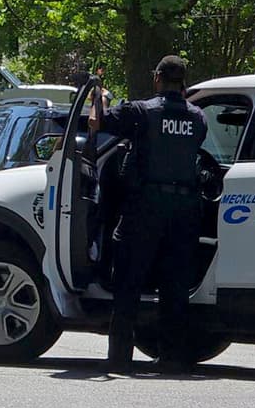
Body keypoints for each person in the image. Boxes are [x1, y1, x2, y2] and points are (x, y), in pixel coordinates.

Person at [89, 55, 207, 374]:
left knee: (128, 282)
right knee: (174, 286)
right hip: (184, 212)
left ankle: (119, 358)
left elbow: (96, 122)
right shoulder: (198, 118)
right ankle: (172, 357)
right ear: (183, 82)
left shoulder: (141, 112)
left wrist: (97, 96)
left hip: (146, 208)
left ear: (157, 79)